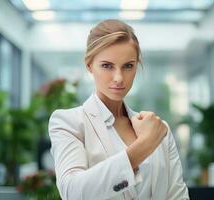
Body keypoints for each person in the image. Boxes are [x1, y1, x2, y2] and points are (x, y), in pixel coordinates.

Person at [49, 19, 189, 200]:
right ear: (89, 65)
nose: (119, 78)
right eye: (107, 66)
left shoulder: (159, 129)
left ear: (136, 67)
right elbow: (73, 192)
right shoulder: (69, 122)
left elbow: (178, 196)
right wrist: (143, 146)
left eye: (128, 66)